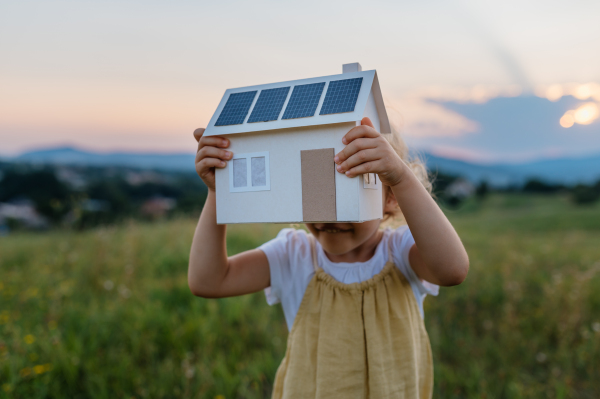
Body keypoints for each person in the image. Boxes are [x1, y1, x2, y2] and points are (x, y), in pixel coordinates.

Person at [189, 117, 469, 398]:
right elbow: (209, 281)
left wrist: (400, 176)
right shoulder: (293, 255)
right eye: (315, 189)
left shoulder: (402, 253)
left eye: (351, 187)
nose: (328, 213)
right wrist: (218, 192)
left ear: (391, 198)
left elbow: (453, 270)